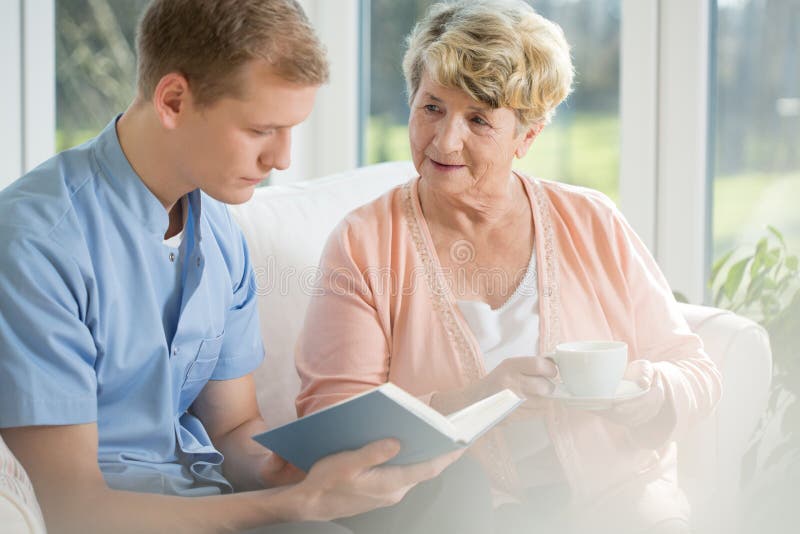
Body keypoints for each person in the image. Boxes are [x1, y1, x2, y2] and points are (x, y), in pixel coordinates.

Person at [0, 1, 463, 532]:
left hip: (214, 499)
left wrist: (291, 474)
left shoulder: (218, 230)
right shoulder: (37, 245)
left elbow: (233, 428)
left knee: (442, 487)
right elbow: (73, 509)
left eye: (291, 130)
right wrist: (294, 505)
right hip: (122, 517)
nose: (282, 159)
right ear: (173, 100)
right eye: (262, 129)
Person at [295, 1, 723, 533]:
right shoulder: (363, 243)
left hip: (618, 502)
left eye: (478, 119)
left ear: (527, 136)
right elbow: (332, 425)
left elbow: (695, 370)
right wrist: (476, 402)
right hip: (458, 512)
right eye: (432, 107)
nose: (446, 140)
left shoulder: (591, 221)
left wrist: (641, 393)